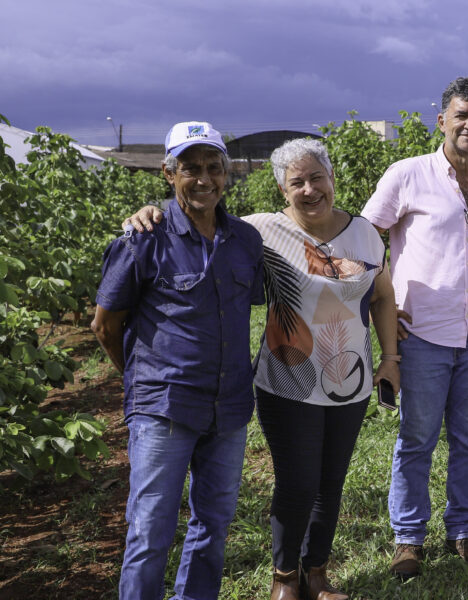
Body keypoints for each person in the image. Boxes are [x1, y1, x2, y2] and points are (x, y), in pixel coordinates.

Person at [123, 138, 401, 600]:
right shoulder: (260, 232)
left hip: (349, 382)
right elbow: (197, 215)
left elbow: (383, 295)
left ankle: (318, 575)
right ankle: (285, 577)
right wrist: (149, 211)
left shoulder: (365, 232)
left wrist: (390, 358)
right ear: (281, 189)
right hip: (287, 379)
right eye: (297, 182)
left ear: (332, 179)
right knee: (297, 482)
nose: (310, 189)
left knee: (330, 483)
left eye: (317, 178)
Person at [92, 121, 265, 600]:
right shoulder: (143, 238)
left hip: (228, 407)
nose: (203, 178)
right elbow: (105, 325)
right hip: (164, 407)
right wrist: (143, 382)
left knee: (214, 521)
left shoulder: (245, 241)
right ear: (169, 173)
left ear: (226, 175)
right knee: (150, 528)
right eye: (190, 168)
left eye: (213, 167)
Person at [361, 76, 468, 578]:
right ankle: (408, 537)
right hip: (422, 333)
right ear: (443, 120)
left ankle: (464, 530)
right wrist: (382, 305)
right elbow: (365, 241)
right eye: (462, 115)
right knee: (417, 438)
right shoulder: (407, 175)